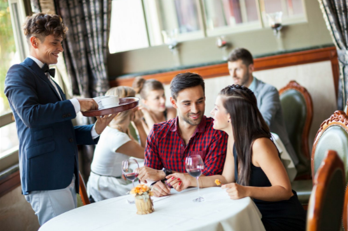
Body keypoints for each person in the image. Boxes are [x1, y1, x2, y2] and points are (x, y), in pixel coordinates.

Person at [4, 13, 116, 225]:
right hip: (47, 177)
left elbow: (61, 132)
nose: (61, 49)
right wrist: (76, 104)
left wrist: (96, 129)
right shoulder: (18, 73)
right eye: (55, 43)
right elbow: (31, 116)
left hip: (64, 175)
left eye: (61, 43)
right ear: (34, 42)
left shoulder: (50, 81)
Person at [168, 85, 306, 231]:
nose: (211, 112)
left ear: (230, 116)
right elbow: (226, 178)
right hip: (255, 215)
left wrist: (246, 191)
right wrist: (189, 180)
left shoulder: (259, 145)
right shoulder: (232, 138)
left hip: (280, 220)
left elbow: (285, 190)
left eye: (216, 108)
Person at [137, 72, 228, 197]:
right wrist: (154, 185)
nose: (195, 109)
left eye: (199, 101)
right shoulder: (157, 133)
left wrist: (163, 174)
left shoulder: (217, 132)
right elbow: (149, 174)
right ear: (174, 103)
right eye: (187, 103)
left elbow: (210, 179)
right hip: (170, 203)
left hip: (207, 201)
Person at [226, 48, 299, 168]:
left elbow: (264, 122)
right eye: (230, 70)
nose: (233, 75)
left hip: (278, 157)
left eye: (237, 69)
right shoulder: (231, 96)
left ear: (251, 68)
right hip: (249, 156)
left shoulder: (269, 91)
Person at [87, 86, 146, 201]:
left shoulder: (114, 129)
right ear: (132, 108)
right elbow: (148, 153)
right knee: (149, 192)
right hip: (105, 188)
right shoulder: (117, 138)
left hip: (109, 181)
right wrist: (139, 123)